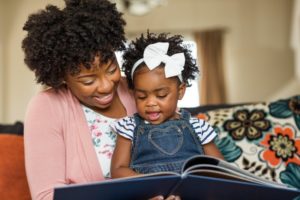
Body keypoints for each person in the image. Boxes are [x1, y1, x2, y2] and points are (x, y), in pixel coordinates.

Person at [22, 1, 178, 200]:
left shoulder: (137, 90)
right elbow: (46, 196)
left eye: (112, 69)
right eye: (88, 80)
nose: (106, 86)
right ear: (62, 76)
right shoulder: (46, 107)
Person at [111, 32, 224, 178]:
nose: (150, 103)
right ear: (133, 94)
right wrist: (149, 184)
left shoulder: (199, 127)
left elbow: (220, 169)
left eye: (161, 95)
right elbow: (118, 170)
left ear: (180, 91)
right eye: (142, 96)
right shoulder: (128, 126)